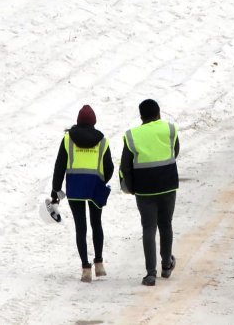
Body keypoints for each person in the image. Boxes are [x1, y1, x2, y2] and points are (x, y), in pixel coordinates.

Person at [119, 98, 180, 287]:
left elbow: (125, 166)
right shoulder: (170, 129)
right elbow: (174, 152)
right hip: (168, 185)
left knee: (148, 228)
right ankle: (166, 265)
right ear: (159, 113)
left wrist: (128, 187)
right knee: (166, 225)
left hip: (144, 190)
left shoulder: (133, 135)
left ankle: (150, 274)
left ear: (141, 116)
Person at [52, 104, 114, 282]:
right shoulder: (103, 141)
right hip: (95, 186)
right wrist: (101, 180)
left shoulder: (67, 139)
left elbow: (60, 166)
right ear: (94, 122)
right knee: (96, 224)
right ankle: (99, 263)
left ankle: (86, 269)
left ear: (78, 121)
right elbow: (109, 167)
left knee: (81, 227)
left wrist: (56, 189)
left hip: (75, 187)